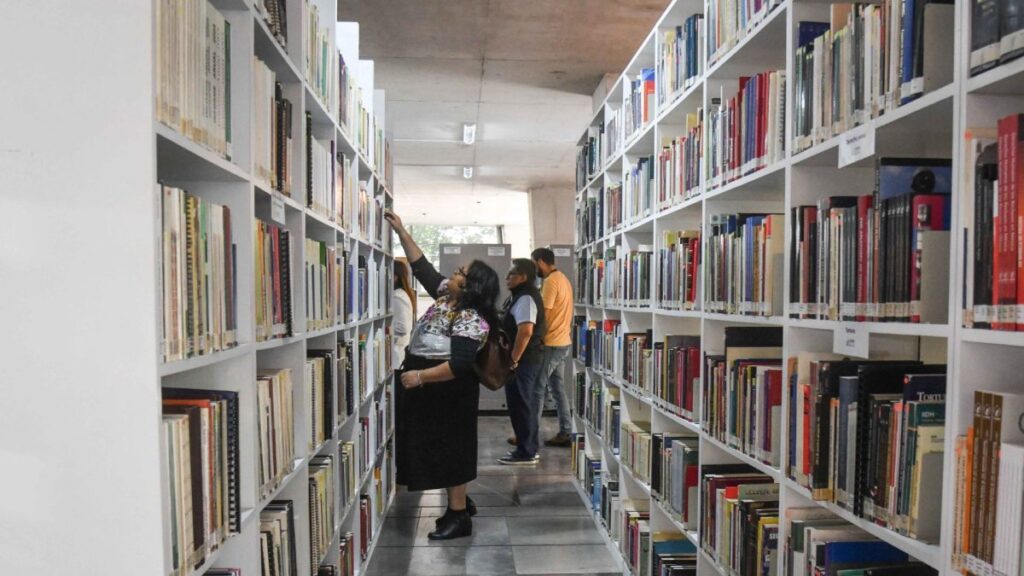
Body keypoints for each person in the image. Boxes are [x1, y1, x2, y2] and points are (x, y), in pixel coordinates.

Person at [385, 209, 501, 540]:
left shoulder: (470, 316)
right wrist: (402, 232)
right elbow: (422, 268)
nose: (454, 272)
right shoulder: (446, 298)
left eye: (461, 273)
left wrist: (419, 378)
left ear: (469, 286)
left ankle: (459, 514)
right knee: (438, 448)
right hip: (432, 387)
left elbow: (461, 364)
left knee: (452, 450)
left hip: (448, 391)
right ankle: (459, 503)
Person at [499, 258, 547, 465]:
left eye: (511, 274)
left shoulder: (526, 298)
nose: (507, 278)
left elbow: (525, 331)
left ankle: (527, 451)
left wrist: (513, 360)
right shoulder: (518, 297)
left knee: (522, 403)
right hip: (522, 360)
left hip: (524, 360)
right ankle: (525, 445)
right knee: (519, 403)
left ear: (523, 277)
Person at [532, 247, 574, 447]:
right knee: (558, 389)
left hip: (551, 343)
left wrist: (535, 339)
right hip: (563, 341)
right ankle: (566, 431)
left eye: (534, 264)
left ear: (540, 261)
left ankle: (528, 434)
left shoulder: (550, 282)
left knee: (537, 388)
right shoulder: (563, 279)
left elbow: (545, 315)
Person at [392, 258, 415, 368]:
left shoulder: (398, 296)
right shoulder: (401, 294)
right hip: (397, 350)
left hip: (396, 350)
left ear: (395, 277)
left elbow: (403, 327)